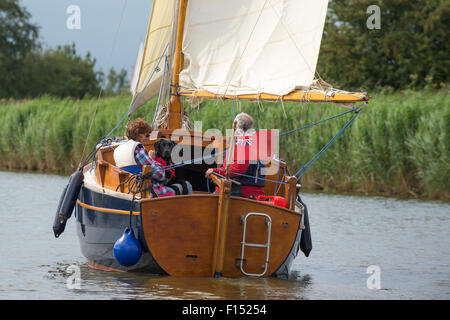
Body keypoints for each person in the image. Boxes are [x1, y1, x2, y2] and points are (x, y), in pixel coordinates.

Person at [205, 112, 265, 198]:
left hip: (241, 195)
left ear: (235, 126)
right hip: (252, 194)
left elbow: (238, 168)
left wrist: (216, 171)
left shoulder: (243, 143)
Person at [113, 118, 175, 197]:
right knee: (173, 191)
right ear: (137, 134)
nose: (148, 138)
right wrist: (152, 159)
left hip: (128, 188)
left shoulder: (118, 149)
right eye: (147, 135)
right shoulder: (138, 150)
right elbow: (160, 175)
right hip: (145, 190)